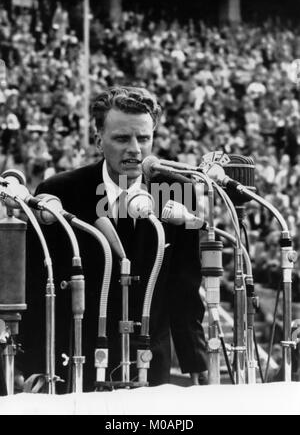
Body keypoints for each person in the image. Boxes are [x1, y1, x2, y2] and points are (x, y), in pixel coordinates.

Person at [20, 86, 207, 392]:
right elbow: (39, 284)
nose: (135, 149)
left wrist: (195, 363)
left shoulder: (173, 188)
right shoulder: (62, 191)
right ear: (99, 139)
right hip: (76, 363)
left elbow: (184, 287)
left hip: (150, 364)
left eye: (143, 138)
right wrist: (37, 365)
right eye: (122, 138)